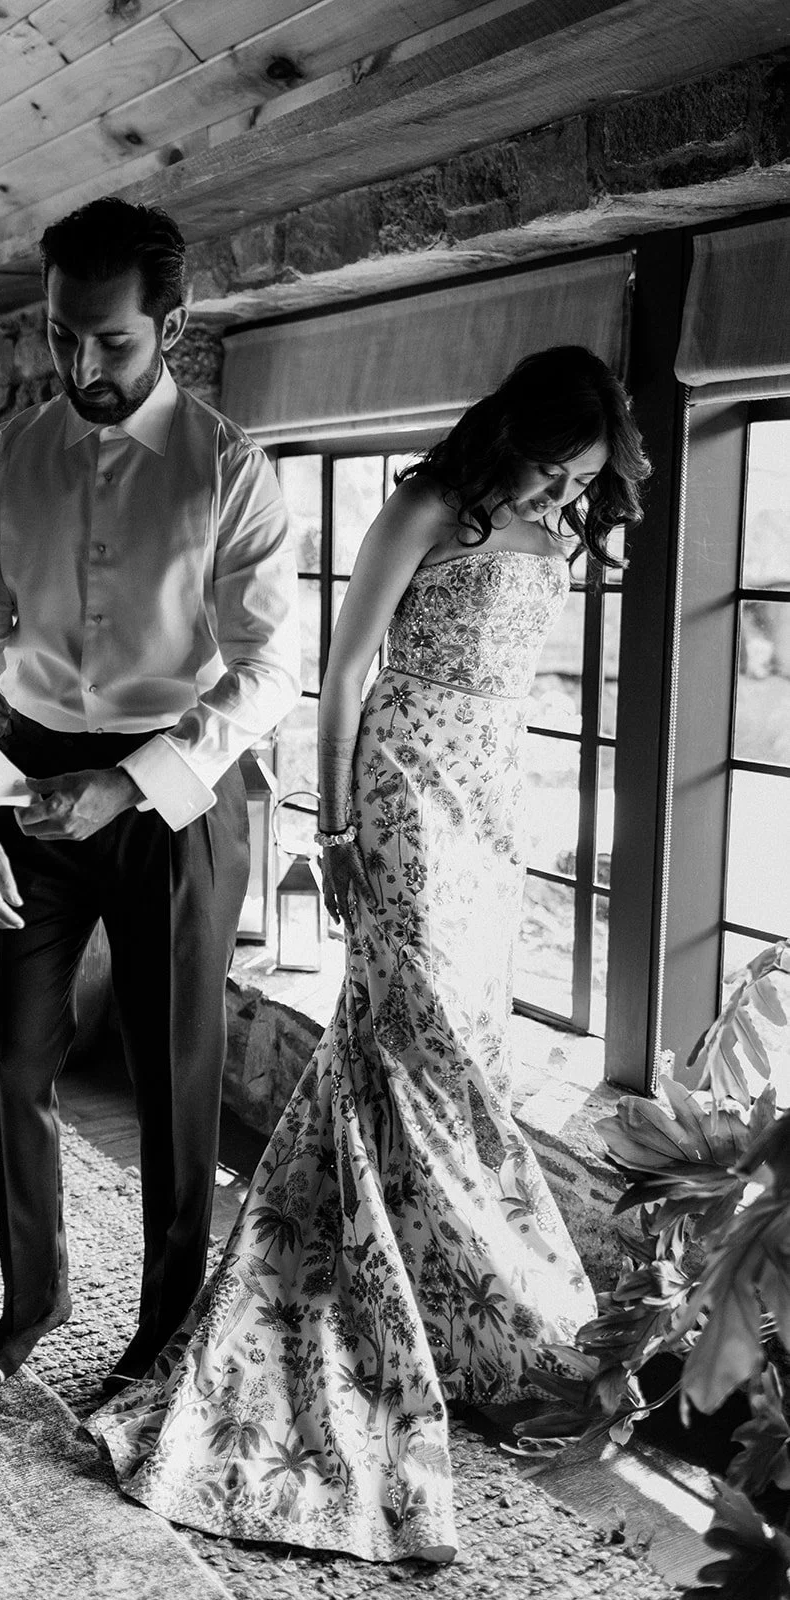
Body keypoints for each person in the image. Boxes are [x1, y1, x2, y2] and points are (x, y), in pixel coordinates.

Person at [87, 345, 652, 1562]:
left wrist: (516, 805)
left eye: (585, 481)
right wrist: (333, 829)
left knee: (443, 1052)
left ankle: (439, 1307)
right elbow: (342, 678)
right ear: (513, 435)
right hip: (398, 788)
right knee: (420, 1031)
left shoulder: (557, 524)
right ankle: (488, 1298)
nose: (567, 497)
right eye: (557, 471)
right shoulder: (426, 507)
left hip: (493, 802)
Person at [0, 197, 300, 1398]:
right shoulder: (5, 458)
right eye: (60, 336)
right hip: (23, 777)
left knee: (175, 1075)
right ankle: (32, 1297)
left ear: (170, 325)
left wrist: (127, 785)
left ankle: (163, 1328)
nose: (80, 366)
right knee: (3, 1064)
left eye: (110, 342)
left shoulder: (230, 470)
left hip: (175, 791)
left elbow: (271, 666)